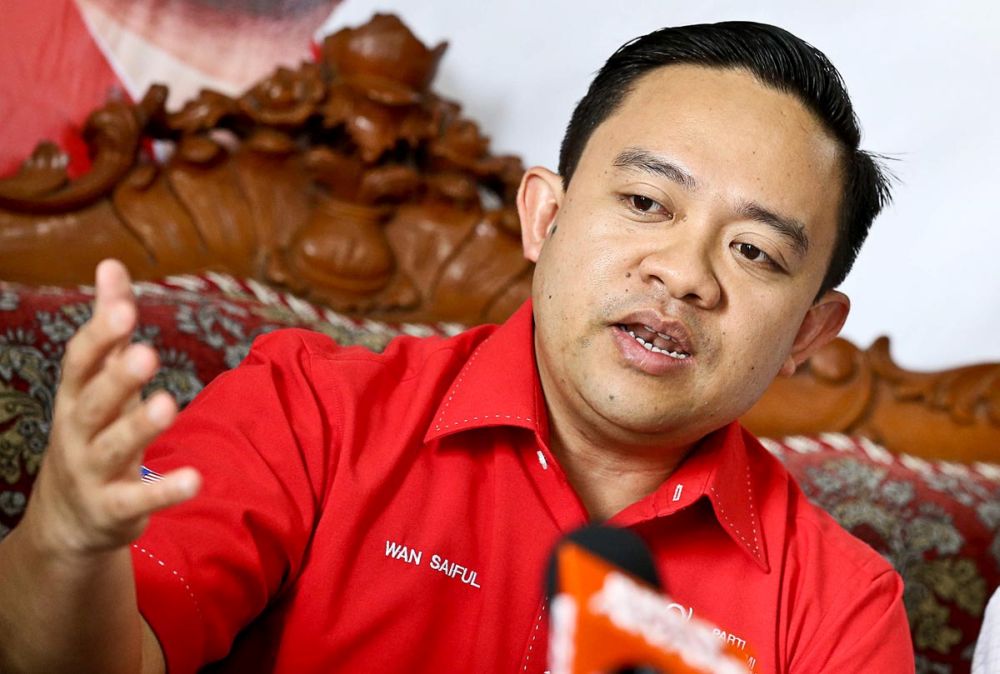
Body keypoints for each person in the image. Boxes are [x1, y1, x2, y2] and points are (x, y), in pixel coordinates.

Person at [0, 20, 914, 673]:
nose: (684, 275)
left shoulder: (839, 606)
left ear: (805, 333)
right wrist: (69, 543)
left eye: (753, 251)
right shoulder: (310, 410)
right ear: (545, 217)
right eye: (645, 203)